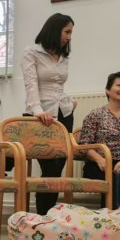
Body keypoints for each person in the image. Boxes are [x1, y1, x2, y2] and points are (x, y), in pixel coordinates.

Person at [22, 13, 76, 215]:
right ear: (54, 30)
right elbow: (31, 84)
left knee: (57, 169)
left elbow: (58, 86)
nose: (69, 37)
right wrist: (37, 111)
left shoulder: (64, 56)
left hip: (64, 114)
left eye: (71, 32)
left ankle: (49, 217)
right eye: (67, 32)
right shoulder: (31, 52)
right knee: (49, 168)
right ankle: (44, 217)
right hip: (40, 116)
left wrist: (69, 103)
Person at [78, 71, 120, 207]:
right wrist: (100, 159)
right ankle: (109, 220)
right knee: (113, 180)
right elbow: (85, 145)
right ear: (108, 90)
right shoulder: (95, 115)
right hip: (99, 163)